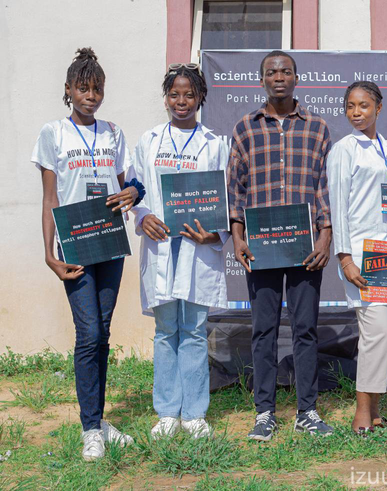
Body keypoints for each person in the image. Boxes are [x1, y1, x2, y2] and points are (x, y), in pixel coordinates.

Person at [33, 48, 140, 460]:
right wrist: (48, 253)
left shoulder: (113, 132)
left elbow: (127, 181)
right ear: (68, 90)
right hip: (75, 243)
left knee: (104, 334)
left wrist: (132, 191)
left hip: (110, 242)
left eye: (96, 89)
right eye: (83, 88)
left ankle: (99, 421)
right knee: (89, 333)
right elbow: (50, 198)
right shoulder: (53, 133)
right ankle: (90, 429)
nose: (90, 96)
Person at [227, 50, 334, 441]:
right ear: (261, 80)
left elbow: (325, 187)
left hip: (305, 246)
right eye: (271, 72)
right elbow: (235, 188)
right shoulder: (244, 128)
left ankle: (307, 410)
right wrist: (238, 237)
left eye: (286, 71)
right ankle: (265, 412)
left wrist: (325, 235)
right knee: (264, 330)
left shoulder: (318, 128)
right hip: (262, 247)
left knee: (305, 329)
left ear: (296, 78)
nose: (279, 77)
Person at [129, 64, 229, 440]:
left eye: (189, 94)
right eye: (175, 94)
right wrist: (143, 217)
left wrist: (214, 234)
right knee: (165, 329)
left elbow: (225, 198)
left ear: (201, 97)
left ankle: (195, 414)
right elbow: (135, 188)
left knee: (195, 329)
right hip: (161, 246)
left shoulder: (215, 145)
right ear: (166, 98)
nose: (181, 101)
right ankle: (168, 412)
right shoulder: (149, 141)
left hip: (196, 248)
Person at [328, 82, 387, 434]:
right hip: (363, 253)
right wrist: (344, 257)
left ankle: (376, 412)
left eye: (363, 105)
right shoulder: (343, 150)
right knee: (374, 331)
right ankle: (362, 414)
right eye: (350, 106)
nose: (356, 112)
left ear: (379, 108)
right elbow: (338, 207)